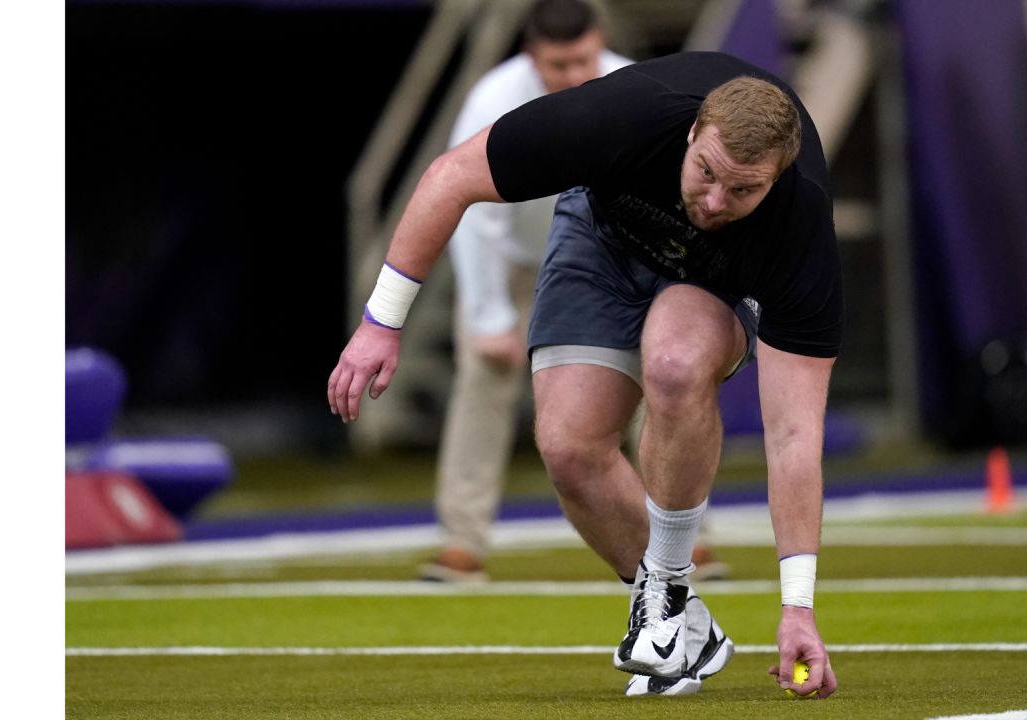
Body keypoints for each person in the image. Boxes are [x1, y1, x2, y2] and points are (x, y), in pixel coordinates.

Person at [329, 51, 841, 700]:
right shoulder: (619, 117)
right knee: (570, 448)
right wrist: (381, 322)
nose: (713, 201)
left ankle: (663, 595)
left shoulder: (800, 222)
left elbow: (794, 435)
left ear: (778, 178)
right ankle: (689, 627)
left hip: (712, 285)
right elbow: (449, 176)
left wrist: (799, 606)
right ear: (690, 136)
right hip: (604, 240)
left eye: (743, 189)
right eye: (706, 172)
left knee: (675, 361)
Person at [420, 0, 728, 584]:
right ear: (531, 56)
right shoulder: (492, 97)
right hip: (516, 270)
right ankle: (462, 541)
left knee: (662, 382)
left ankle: (685, 536)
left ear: (599, 44)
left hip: (615, 267)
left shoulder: (631, 85)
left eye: (582, 60)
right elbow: (470, 212)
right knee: (481, 383)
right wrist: (487, 315)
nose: (572, 77)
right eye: (557, 65)